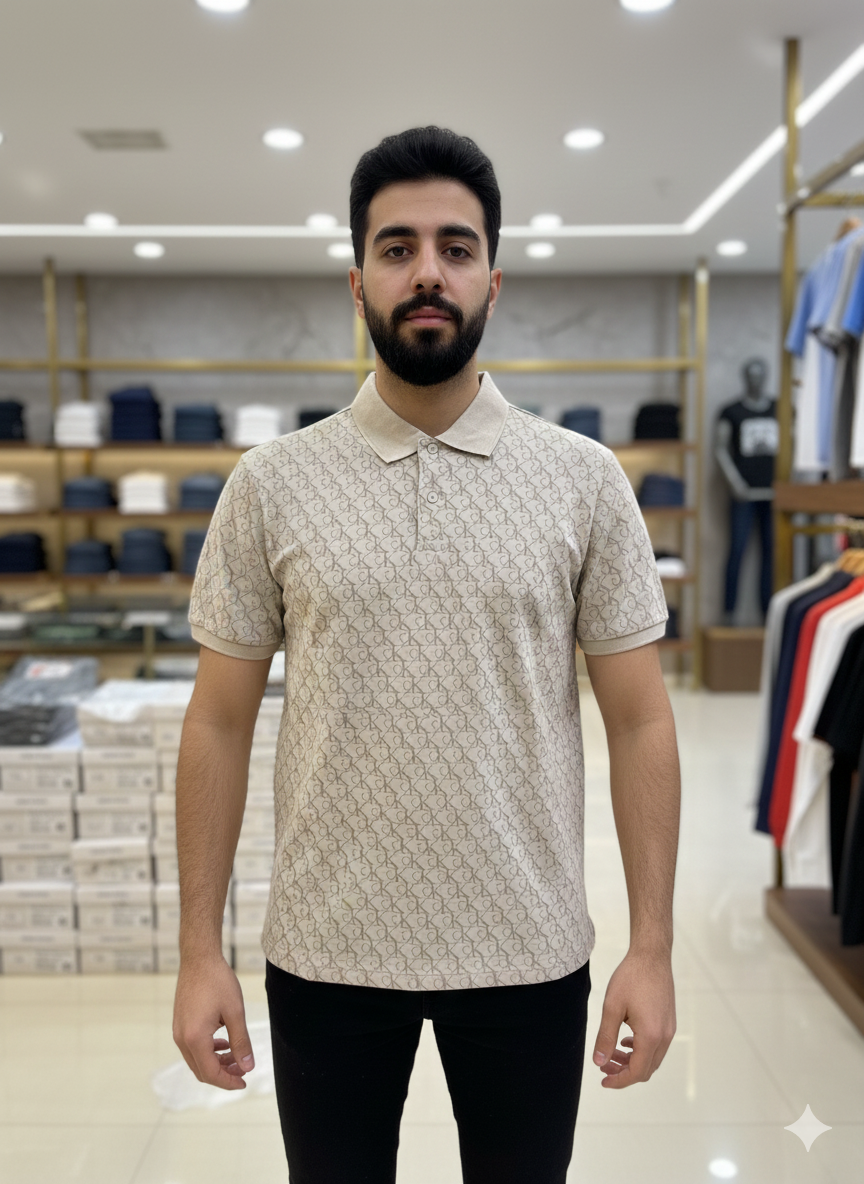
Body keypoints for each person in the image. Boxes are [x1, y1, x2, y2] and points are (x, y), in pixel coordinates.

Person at [172, 126, 680, 1184]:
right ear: (358, 281)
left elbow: (640, 719)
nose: (428, 273)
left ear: (493, 278)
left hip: (529, 944)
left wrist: (653, 946)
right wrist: (197, 951)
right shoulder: (270, 484)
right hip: (327, 947)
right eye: (397, 247)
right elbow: (216, 719)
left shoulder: (584, 480)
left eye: (456, 247)